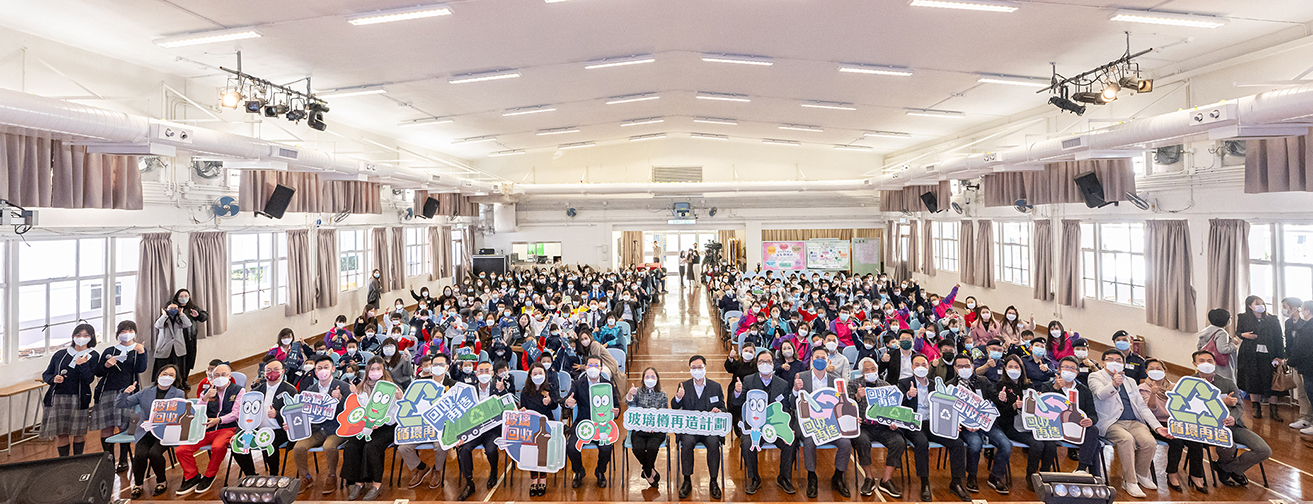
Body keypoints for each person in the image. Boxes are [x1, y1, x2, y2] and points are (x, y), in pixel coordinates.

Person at [1089, 349, 1172, 498]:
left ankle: (1141, 475)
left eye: (1119, 360)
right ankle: (1130, 482)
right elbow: (1100, 394)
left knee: (1149, 442)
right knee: (1126, 440)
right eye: (1110, 359)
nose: (1115, 362)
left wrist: (1158, 427)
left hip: (1134, 421)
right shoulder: (1095, 376)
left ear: (1124, 364)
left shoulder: (1130, 381)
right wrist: (1114, 384)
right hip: (1111, 423)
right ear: (1103, 362)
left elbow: (1141, 406)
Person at [1191, 350, 1272, 486]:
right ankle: (1229, 468)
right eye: (1201, 361)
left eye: (1209, 361)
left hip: (1233, 425)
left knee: (1264, 450)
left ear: (1215, 363)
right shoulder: (1189, 383)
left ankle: (1227, 468)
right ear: (1195, 363)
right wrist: (1222, 402)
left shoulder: (1227, 383)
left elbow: (1239, 406)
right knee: (1229, 446)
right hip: (1207, 426)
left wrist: (1233, 418)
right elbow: (1194, 407)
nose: (1206, 364)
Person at [899, 353, 970, 501]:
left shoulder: (935, 384)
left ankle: (956, 482)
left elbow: (946, 406)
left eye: (924, 364)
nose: (920, 367)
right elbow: (897, 407)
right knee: (922, 443)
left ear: (928, 366)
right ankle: (925, 482)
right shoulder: (904, 383)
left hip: (934, 423)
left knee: (957, 442)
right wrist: (908, 396)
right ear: (912, 367)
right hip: (914, 424)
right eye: (917, 365)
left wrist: (951, 424)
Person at [730, 350, 797, 496]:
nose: (765, 364)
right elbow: (738, 404)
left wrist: (787, 428)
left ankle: (784, 477)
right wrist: (737, 392)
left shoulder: (783, 384)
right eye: (761, 362)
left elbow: (786, 409)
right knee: (747, 443)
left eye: (768, 362)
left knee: (790, 441)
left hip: (775, 426)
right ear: (757, 364)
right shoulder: (748, 380)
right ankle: (754, 478)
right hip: (754, 426)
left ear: (773, 365)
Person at [117, 364, 185, 498]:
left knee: (154, 453)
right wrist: (125, 393)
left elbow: (179, 415)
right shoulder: (146, 391)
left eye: (171, 375)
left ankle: (161, 481)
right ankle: (138, 485)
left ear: (175, 379)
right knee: (140, 455)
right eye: (164, 374)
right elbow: (121, 404)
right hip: (146, 432)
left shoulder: (178, 393)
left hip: (165, 432)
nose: (167, 377)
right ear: (158, 375)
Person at [1139, 358, 1206, 493]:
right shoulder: (1143, 388)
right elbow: (1150, 409)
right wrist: (1153, 393)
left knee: (1196, 441)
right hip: (1155, 423)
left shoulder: (1174, 387)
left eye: (1159, 368)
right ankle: (1172, 474)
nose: (1155, 371)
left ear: (1165, 371)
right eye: (1151, 368)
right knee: (1176, 442)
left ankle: (1196, 475)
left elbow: (1188, 405)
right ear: (1146, 371)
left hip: (1176, 422)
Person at [990, 355, 1056, 492]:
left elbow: (1037, 409)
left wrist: (1037, 400)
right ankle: (1031, 478)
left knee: (1050, 443)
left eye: (1017, 366)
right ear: (1005, 369)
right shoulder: (1000, 386)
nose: (1014, 369)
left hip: (1031, 424)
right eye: (1010, 366)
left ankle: (1045, 476)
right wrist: (1013, 406)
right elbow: (1000, 414)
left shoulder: (1028, 385)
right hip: (1011, 425)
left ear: (1022, 369)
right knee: (1037, 444)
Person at [175, 363, 242, 496]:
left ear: (229, 376)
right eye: (216, 375)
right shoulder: (207, 391)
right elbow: (197, 411)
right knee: (181, 450)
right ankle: (192, 476)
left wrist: (219, 420)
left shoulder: (238, 390)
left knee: (217, 448)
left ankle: (209, 476)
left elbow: (237, 413)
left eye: (223, 375)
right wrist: (205, 399)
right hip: (205, 429)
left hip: (226, 428)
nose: (220, 377)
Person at [793, 347, 851, 498]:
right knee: (810, 441)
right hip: (811, 424)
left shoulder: (835, 380)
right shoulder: (802, 377)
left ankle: (837, 477)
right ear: (811, 360)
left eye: (823, 358)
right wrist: (794, 390)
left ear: (828, 361)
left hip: (832, 423)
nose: (820, 360)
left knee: (845, 443)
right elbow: (792, 404)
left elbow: (843, 403)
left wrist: (851, 415)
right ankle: (812, 477)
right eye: (816, 357)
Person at [291, 356, 352, 495]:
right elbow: (303, 413)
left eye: (326, 367)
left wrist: (340, 399)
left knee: (329, 446)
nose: (323, 371)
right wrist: (292, 424)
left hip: (337, 429)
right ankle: (305, 477)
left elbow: (351, 412)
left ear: (333, 369)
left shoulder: (343, 387)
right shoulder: (310, 390)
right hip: (317, 429)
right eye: (319, 368)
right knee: (299, 447)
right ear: (315, 371)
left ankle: (331, 476)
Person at [342, 358, 401, 501]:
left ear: (383, 370)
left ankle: (376, 484)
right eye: (372, 369)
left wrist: (400, 399)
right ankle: (358, 483)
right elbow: (357, 411)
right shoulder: (360, 388)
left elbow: (395, 415)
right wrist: (353, 395)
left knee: (371, 447)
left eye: (378, 369)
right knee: (351, 446)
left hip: (386, 427)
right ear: (367, 371)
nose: (375, 372)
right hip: (365, 426)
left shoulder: (392, 388)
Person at [92, 320, 148, 472]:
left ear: (135, 333)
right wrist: (106, 365)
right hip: (107, 392)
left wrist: (142, 353)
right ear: (118, 333)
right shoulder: (110, 350)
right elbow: (98, 372)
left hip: (128, 393)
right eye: (123, 331)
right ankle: (108, 458)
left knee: (124, 426)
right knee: (107, 426)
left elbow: (141, 369)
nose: (126, 333)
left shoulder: (139, 349)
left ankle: (123, 459)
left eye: (130, 330)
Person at [951, 352, 1009, 495]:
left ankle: (995, 476)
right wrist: (962, 424)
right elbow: (949, 411)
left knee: (1006, 445)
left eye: (967, 365)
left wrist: (1001, 398)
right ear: (955, 368)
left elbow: (994, 400)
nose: (964, 368)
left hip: (986, 423)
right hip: (966, 426)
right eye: (960, 366)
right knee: (975, 445)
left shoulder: (983, 381)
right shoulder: (950, 385)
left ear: (972, 366)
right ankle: (972, 476)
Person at [848, 358, 905, 498]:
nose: (870, 372)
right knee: (861, 440)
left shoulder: (885, 385)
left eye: (873, 369)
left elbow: (893, 408)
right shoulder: (853, 384)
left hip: (883, 426)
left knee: (898, 441)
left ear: (877, 369)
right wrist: (857, 397)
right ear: (861, 372)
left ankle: (886, 480)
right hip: (864, 426)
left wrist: (893, 421)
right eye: (866, 370)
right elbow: (848, 406)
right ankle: (869, 478)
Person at [671, 355, 726, 499]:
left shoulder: (715, 386)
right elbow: (674, 406)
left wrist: (719, 411)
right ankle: (687, 480)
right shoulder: (684, 385)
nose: (697, 370)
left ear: (705, 368)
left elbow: (723, 407)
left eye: (699, 367)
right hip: (691, 429)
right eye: (693, 368)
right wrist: (678, 397)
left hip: (709, 429)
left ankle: (714, 481)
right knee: (687, 443)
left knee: (714, 443)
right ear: (690, 369)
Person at [41, 323, 100, 457]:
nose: (81, 338)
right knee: (61, 433)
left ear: (91, 338)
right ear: (73, 336)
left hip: (79, 398)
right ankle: (64, 461)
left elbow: (89, 379)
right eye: (78, 335)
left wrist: (82, 365)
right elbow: (46, 374)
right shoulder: (60, 354)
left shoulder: (93, 355)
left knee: (78, 433)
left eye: (85, 335)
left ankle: (77, 459)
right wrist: (53, 379)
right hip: (58, 397)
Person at [458, 361, 512, 500]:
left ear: (492, 373)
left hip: (492, 429)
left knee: (491, 449)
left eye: (487, 371)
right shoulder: (469, 390)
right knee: (464, 449)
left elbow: (510, 406)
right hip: (474, 429)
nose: (484, 374)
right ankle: (469, 482)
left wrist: (502, 391)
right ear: (476, 373)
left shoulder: (498, 387)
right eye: (481, 371)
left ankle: (494, 471)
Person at [1037, 357, 1100, 476]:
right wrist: (1055, 388)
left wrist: (1090, 420)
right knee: (1095, 444)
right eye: (1066, 367)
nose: (1069, 370)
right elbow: (1042, 410)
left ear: (1077, 372)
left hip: (1076, 429)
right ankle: (1095, 476)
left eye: (1072, 368)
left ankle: (1081, 469)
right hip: (1053, 428)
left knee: (1093, 431)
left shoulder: (1084, 390)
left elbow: (1093, 414)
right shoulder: (1047, 386)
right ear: (1059, 370)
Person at [564, 356, 621, 488]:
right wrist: (568, 402)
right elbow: (569, 398)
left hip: (602, 426)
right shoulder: (578, 384)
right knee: (571, 447)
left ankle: (600, 472)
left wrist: (616, 411)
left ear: (601, 369)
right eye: (590, 365)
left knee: (606, 447)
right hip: (582, 424)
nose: (593, 368)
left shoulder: (608, 385)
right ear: (585, 367)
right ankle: (578, 471)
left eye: (596, 365)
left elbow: (616, 405)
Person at [1236, 295, 1285, 420]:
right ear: (1249, 306)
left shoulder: (1273, 319)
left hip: (1269, 355)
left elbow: (1279, 338)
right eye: (1257, 303)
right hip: (1250, 354)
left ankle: (1274, 410)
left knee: (1271, 380)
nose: (1260, 305)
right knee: (1253, 380)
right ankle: (1256, 407)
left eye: (1262, 303)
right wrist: (1243, 335)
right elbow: (1238, 332)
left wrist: (1280, 356)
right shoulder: (1243, 317)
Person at [520, 363, 561, 497]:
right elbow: (523, 408)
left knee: (543, 451)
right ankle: (533, 480)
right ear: (530, 376)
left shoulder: (550, 388)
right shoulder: (525, 391)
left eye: (540, 373)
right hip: (531, 424)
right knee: (531, 451)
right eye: (535, 374)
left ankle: (543, 479)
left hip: (546, 423)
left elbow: (555, 406)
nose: (538, 376)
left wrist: (549, 401)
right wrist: (522, 410)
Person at [626, 367, 669, 489]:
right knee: (637, 448)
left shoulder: (663, 395)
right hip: (639, 429)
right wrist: (630, 394)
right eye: (647, 376)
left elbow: (664, 414)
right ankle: (649, 470)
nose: (650, 379)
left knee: (651, 447)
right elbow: (629, 403)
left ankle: (647, 473)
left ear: (657, 379)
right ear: (643, 379)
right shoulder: (638, 392)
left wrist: (654, 427)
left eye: (653, 376)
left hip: (657, 430)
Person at [1280, 297, 1312, 430]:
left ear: (1295, 308)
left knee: (1310, 390)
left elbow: (1304, 347)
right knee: (1301, 391)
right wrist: (1288, 358)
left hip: (1306, 362)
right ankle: (1304, 417)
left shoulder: (1306, 325)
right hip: (1294, 361)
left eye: (1285, 307)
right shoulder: (1288, 323)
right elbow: (1289, 342)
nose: (1284, 310)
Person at [171, 288, 209, 386]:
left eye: (186, 296)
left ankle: (185, 380)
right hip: (178, 340)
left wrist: (198, 315)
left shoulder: (192, 307)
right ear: (177, 297)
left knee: (189, 360)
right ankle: (177, 382)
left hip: (191, 339)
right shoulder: (173, 307)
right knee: (178, 362)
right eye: (181, 296)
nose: (184, 298)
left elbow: (204, 316)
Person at [153, 302, 192, 386]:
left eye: (175, 308)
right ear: (166, 309)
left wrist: (181, 314)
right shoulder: (163, 318)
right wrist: (164, 315)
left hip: (178, 348)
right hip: (164, 348)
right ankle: (160, 385)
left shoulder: (180, 318)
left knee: (178, 368)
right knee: (162, 368)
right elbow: (157, 325)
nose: (173, 310)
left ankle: (177, 385)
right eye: (171, 308)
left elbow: (188, 324)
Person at [1196, 308, 1240, 384]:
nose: (1231, 319)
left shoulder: (1206, 330)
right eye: (1230, 317)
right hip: (1220, 365)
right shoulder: (1222, 333)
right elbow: (1223, 349)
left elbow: (1199, 346)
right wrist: (1233, 345)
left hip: (1209, 361)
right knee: (1223, 382)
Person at [1292, 301, 1313, 435]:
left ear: (1307, 311)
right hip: (1308, 365)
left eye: (1302, 309)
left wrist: (1291, 361)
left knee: (1311, 393)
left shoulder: (1306, 329)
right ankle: (1307, 419)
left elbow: (1301, 349)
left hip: (1308, 366)